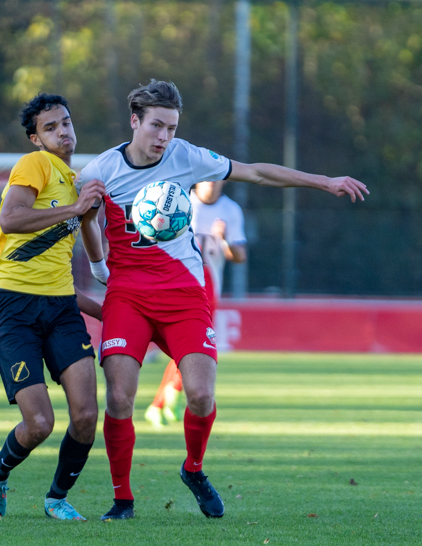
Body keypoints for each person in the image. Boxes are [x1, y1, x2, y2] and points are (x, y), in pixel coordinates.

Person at [80, 80, 367, 521]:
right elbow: (84, 218)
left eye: (172, 127)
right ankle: (123, 499)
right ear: (134, 121)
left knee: (200, 396)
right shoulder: (101, 170)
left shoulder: (186, 157)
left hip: (184, 295)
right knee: (119, 398)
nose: (164, 137)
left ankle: (193, 469)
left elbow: (255, 171)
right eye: (157, 125)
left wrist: (323, 181)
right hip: (129, 296)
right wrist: (99, 268)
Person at [0, 93, 106, 521]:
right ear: (36, 139)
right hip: (14, 309)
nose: (63, 132)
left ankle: (56, 498)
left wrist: (88, 214)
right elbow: (10, 219)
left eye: (66, 123)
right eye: (50, 127)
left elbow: (86, 254)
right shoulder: (35, 165)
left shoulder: (77, 180)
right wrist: (74, 208)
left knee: (87, 414)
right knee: (39, 424)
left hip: (62, 310)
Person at [144, 180, 246, 428]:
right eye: (208, 177)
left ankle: (163, 402)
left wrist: (223, 240)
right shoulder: (178, 202)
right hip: (176, 282)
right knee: (191, 345)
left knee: (190, 346)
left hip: (209, 285)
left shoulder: (230, 209)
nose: (212, 183)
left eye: (217, 177)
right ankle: (164, 402)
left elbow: (240, 256)